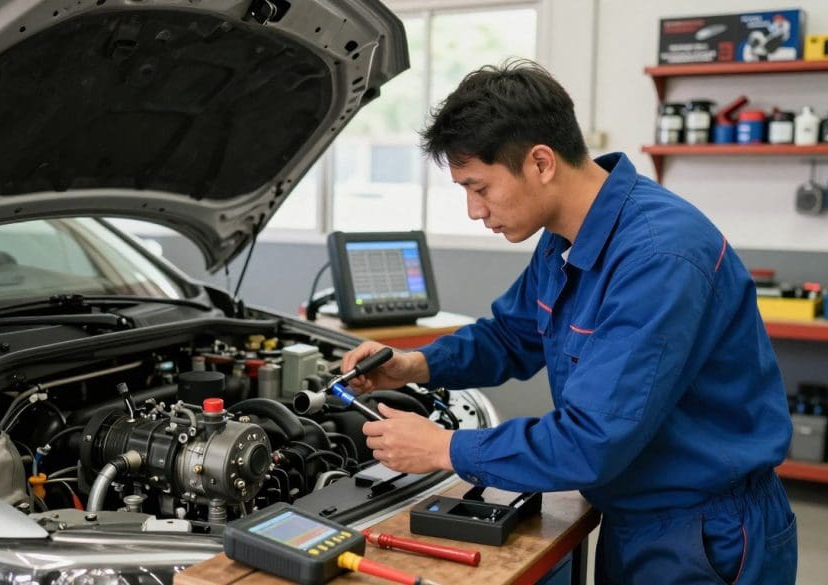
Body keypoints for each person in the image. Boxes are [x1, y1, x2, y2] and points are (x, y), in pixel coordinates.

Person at [341, 60, 797, 584]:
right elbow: (512, 333)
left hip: (706, 534)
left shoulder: (658, 257)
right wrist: (416, 365)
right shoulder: (565, 237)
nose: (473, 210)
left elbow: (591, 440)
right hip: (638, 517)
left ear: (540, 162)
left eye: (480, 187)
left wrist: (444, 447)